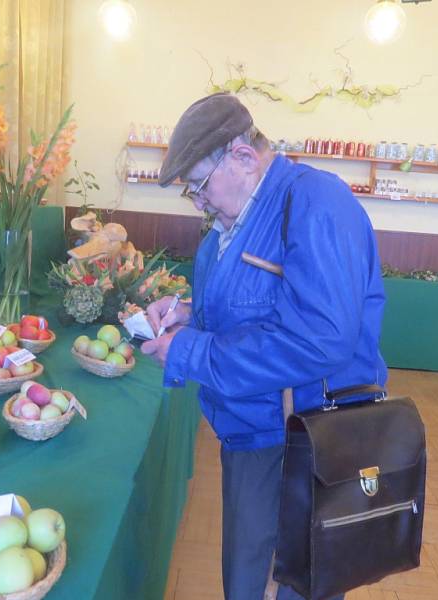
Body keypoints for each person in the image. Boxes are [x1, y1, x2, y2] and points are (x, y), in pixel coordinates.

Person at [141, 93, 387, 600]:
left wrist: (190, 352)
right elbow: (261, 307)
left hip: (307, 435)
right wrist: (192, 313)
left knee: (304, 575)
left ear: (243, 157)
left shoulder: (318, 204)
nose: (199, 202)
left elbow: (320, 340)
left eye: (199, 186)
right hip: (255, 427)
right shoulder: (234, 220)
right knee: (247, 570)